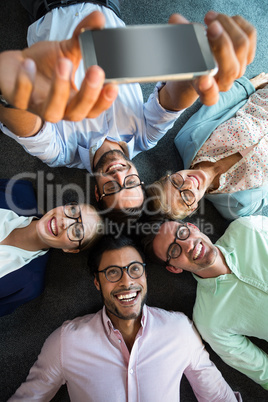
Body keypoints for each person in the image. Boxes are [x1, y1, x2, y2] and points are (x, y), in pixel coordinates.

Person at [0, 1, 257, 218]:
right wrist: (198, 70)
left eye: (113, 189)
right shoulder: (145, 136)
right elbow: (174, 99)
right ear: (139, 177)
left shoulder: (61, 153)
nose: (119, 175)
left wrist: (15, 92)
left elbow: (27, 126)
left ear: (99, 192)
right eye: (130, 183)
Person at [8, 235, 242, 401]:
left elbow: (218, 396)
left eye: (135, 269)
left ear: (145, 275)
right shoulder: (66, 342)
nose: (127, 281)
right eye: (112, 273)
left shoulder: (179, 329)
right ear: (97, 282)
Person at [143, 215, 268, 389]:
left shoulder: (247, 228)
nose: (188, 245)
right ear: (174, 268)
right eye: (174, 251)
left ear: (193, 227)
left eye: (183, 233)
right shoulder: (209, 321)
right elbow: (263, 371)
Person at [147, 73, 268, 221]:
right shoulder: (236, 208)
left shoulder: (187, 138)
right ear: (193, 208)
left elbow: (219, 103)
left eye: (176, 182)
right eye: (185, 196)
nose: (189, 183)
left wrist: (252, 84)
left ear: (169, 176)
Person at [0, 197, 103, 315]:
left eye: (77, 232)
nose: (65, 222)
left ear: (70, 250)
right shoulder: (16, 192)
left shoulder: (27, 287)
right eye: (73, 211)